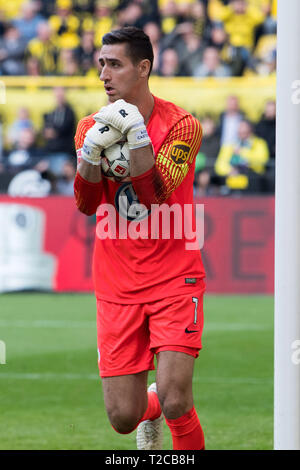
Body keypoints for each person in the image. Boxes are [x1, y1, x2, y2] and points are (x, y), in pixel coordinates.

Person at [73, 26, 206, 450]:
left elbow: (154, 194)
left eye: (114, 65)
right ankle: (147, 406)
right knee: (123, 418)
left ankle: (165, 411)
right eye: (101, 65)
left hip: (174, 277)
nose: (104, 76)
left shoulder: (184, 126)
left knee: (176, 399)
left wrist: (138, 135)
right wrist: (90, 154)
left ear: (143, 68)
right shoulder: (89, 126)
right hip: (117, 284)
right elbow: (86, 204)